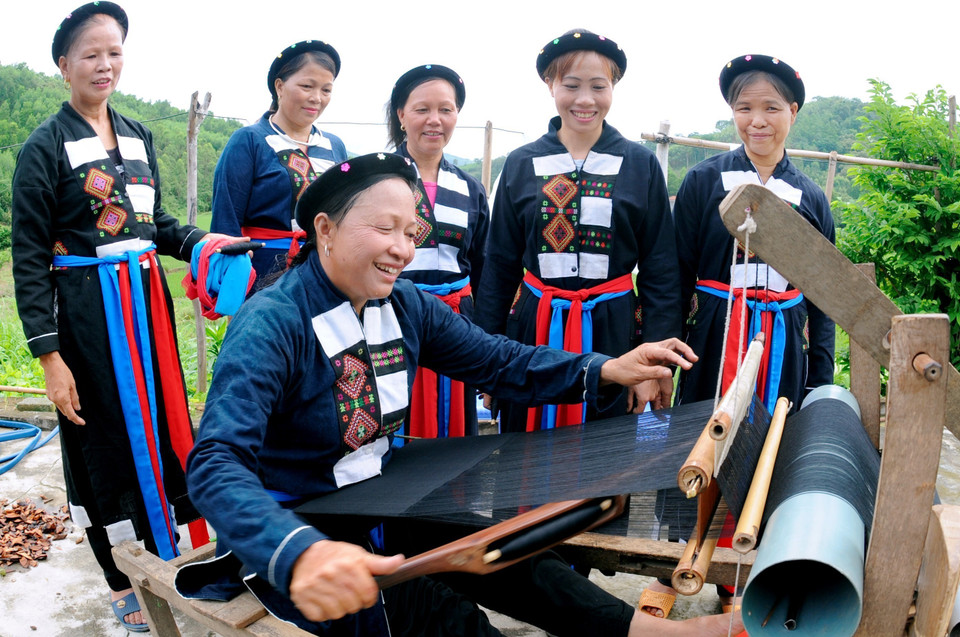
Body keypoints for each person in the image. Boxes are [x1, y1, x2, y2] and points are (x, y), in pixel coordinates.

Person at [183, 152, 743, 637]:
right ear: (325, 230)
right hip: (300, 523)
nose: (402, 248)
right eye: (385, 229)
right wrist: (298, 552)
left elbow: (498, 361)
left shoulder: (404, 305)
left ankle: (645, 631)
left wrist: (606, 368)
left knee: (508, 552)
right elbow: (215, 462)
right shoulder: (272, 323)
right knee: (444, 622)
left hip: (379, 495)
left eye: (411, 232)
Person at [10, 3, 245, 631]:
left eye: (114, 50)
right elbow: (29, 259)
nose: (104, 64)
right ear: (63, 65)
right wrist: (51, 360)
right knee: (106, 443)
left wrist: (202, 242)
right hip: (89, 319)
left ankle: (174, 552)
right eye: (91, 53)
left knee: (168, 427)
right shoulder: (44, 147)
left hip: (149, 314)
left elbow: (152, 226)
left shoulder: (138, 136)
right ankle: (122, 578)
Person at [643, 53, 835, 619]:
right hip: (714, 340)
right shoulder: (704, 181)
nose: (758, 120)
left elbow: (823, 297)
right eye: (744, 107)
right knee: (694, 444)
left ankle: (738, 578)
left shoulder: (811, 198)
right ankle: (672, 562)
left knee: (768, 453)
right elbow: (674, 274)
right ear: (732, 113)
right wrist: (665, 354)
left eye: (771, 108)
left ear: (793, 114)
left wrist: (821, 377)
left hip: (782, 342)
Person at [474, 29, 681, 433]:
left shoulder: (640, 165)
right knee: (524, 453)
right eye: (571, 85)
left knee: (607, 455)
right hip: (533, 333)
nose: (584, 100)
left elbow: (661, 271)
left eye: (598, 87)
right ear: (550, 85)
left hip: (614, 331)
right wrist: (487, 358)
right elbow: (498, 266)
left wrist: (654, 365)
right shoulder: (521, 163)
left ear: (613, 88)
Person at [387, 64, 489, 439]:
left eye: (446, 110)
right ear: (401, 115)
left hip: (455, 326)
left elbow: (482, 268)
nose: (435, 121)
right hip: (391, 321)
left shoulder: (469, 188)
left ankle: (456, 499)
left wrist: (484, 338)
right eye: (421, 110)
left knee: (454, 432)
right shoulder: (377, 180)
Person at [210, 39, 348, 291]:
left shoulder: (334, 146)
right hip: (264, 276)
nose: (316, 98)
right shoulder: (250, 141)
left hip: (327, 272)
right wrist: (233, 280)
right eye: (307, 86)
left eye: (326, 90)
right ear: (280, 86)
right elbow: (226, 220)